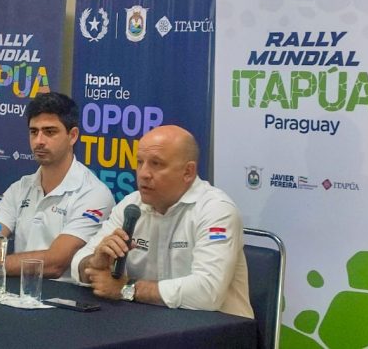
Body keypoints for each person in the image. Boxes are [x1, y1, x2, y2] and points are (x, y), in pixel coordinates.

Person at [71, 125, 254, 318]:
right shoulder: (132, 205)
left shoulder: (216, 209)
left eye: (156, 164)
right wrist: (94, 262)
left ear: (188, 172)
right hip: (147, 323)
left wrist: (128, 289)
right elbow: (77, 263)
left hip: (218, 331)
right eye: (140, 162)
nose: (143, 173)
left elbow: (207, 292)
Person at [0, 92, 115, 281]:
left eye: (50, 132)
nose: (39, 141)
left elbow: (56, 263)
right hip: (18, 291)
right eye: (34, 132)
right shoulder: (20, 188)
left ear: (73, 136)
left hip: (67, 300)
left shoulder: (93, 193)